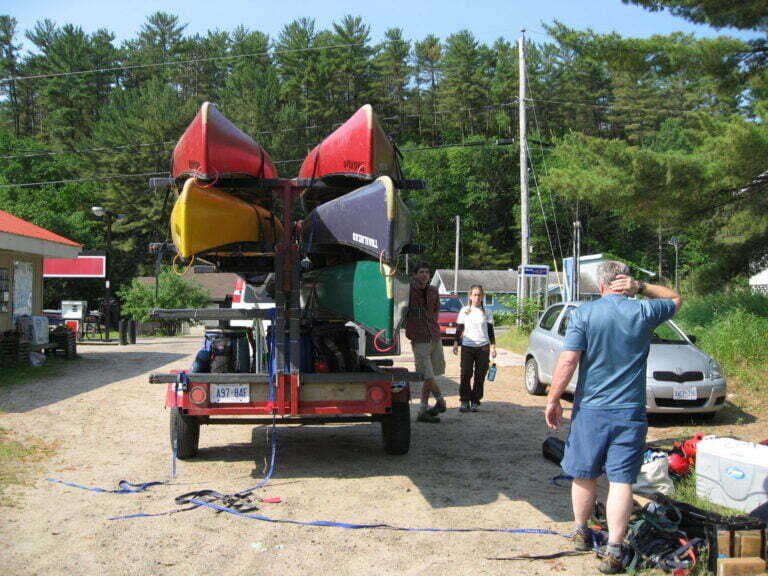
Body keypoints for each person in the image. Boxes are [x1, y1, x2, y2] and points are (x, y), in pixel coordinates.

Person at [545, 261, 681, 575]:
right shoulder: (644, 312)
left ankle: (581, 531)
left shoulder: (584, 314)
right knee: (621, 481)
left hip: (591, 409)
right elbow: (675, 299)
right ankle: (614, 551)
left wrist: (553, 399)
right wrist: (642, 288)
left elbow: (568, 360)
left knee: (583, 473)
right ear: (624, 282)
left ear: (600, 285)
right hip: (630, 411)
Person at [405, 262, 447, 423]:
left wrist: (432, 324)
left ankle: (422, 411)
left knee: (432, 375)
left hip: (434, 336)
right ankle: (441, 401)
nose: (424, 274)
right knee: (426, 374)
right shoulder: (408, 290)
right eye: (421, 272)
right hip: (419, 338)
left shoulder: (433, 291)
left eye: (427, 272)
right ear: (414, 274)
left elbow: (436, 310)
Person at [452, 284, 496, 412]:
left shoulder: (487, 312)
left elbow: (490, 331)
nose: (477, 297)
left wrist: (493, 347)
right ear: (470, 296)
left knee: (480, 374)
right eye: (474, 295)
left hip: (483, 347)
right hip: (467, 346)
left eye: (479, 295)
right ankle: (464, 400)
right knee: (465, 373)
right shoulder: (465, 311)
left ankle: (475, 400)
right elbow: (459, 328)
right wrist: (455, 343)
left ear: (482, 297)